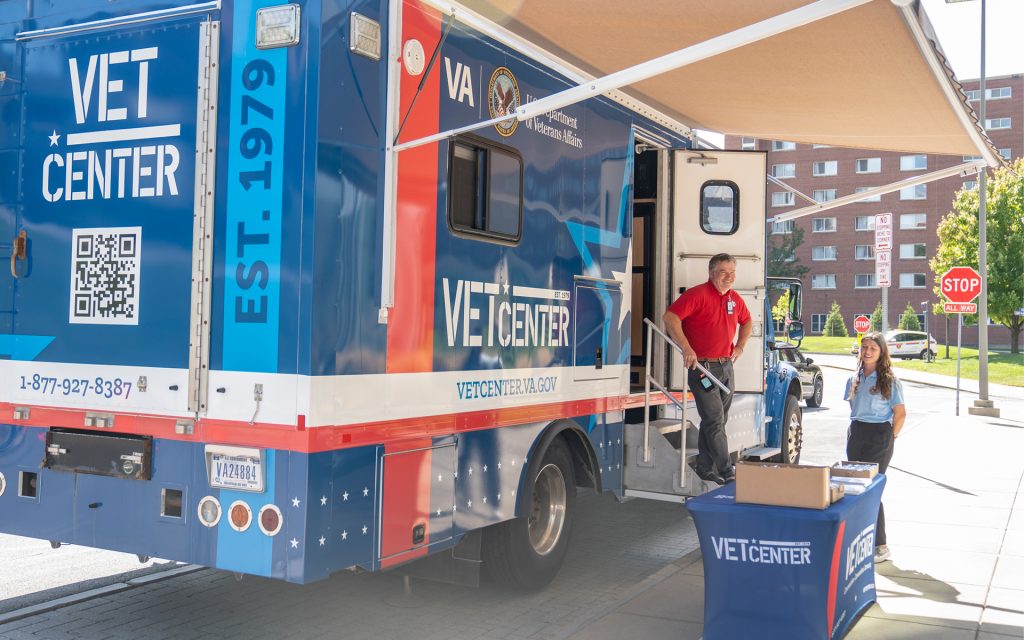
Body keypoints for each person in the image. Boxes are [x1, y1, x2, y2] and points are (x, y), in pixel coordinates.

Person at [662, 253, 751, 485]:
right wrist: (686, 348)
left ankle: (704, 467)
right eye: (723, 272)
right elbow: (670, 317)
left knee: (716, 420)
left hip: (726, 366)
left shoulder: (734, 298)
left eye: (732, 273)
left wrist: (740, 346)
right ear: (711, 273)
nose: (729, 277)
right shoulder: (697, 294)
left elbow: (747, 320)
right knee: (714, 420)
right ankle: (727, 470)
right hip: (702, 368)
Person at [845, 332, 906, 564]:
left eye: (873, 348)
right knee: (854, 487)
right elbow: (854, 407)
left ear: (881, 353)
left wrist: (889, 438)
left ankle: (881, 545)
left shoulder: (889, 380)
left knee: (871, 489)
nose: (867, 351)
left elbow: (900, 414)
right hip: (857, 433)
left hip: (879, 435)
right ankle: (861, 538)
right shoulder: (855, 377)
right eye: (864, 347)